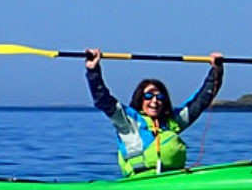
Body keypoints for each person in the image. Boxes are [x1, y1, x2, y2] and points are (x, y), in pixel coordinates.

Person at [84, 48, 224, 176]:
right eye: (149, 96)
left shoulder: (172, 121)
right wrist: (93, 71)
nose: (154, 101)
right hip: (140, 183)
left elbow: (201, 101)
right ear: (140, 99)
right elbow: (102, 99)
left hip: (173, 181)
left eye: (160, 97)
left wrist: (216, 71)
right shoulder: (127, 121)